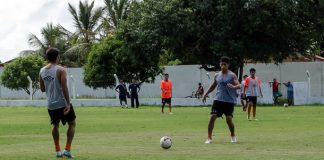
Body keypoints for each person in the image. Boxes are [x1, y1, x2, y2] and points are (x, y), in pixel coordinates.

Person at [39, 48, 76, 158]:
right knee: (72, 124)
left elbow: (42, 89)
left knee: (55, 125)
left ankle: (57, 151)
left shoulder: (42, 71)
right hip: (62, 103)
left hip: (51, 104)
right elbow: (64, 87)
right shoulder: (61, 70)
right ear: (57, 57)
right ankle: (67, 150)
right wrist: (68, 104)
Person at [202, 56, 241, 144]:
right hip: (218, 99)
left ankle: (233, 136)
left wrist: (234, 86)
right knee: (212, 117)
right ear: (220, 64)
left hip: (229, 101)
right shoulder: (217, 75)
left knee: (228, 119)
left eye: (225, 64)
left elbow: (239, 85)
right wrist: (206, 93)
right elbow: (214, 85)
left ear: (228, 65)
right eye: (221, 64)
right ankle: (209, 138)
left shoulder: (232, 75)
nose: (223, 66)